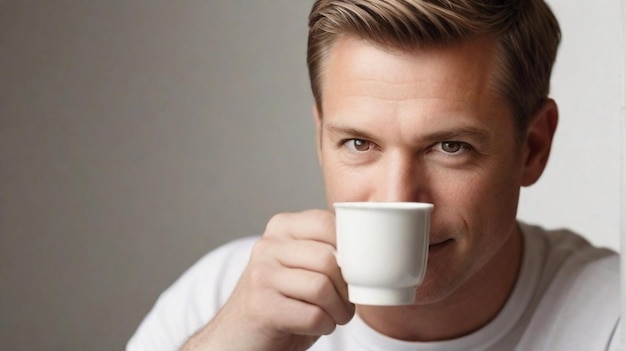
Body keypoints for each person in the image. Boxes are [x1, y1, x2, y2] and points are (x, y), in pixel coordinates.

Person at [127, 1, 621, 350]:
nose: (395, 196)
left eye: (450, 147)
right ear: (321, 137)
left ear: (533, 148)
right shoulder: (222, 299)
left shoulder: (610, 319)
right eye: (360, 144)